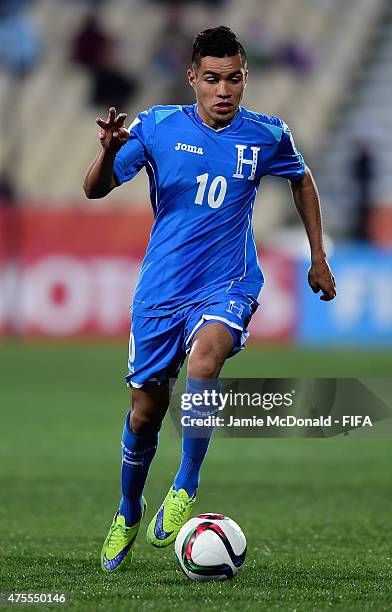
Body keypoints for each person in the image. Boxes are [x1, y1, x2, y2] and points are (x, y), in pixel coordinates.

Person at [83, 25, 336, 572]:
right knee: (145, 412)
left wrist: (318, 255)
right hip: (161, 290)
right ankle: (128, 509)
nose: (224, 90)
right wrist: (107, 153)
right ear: (193, 78)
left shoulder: (267, 135)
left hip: (228, 283)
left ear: (246, 78)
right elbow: (94, 188)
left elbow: (302, 178)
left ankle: (185, 485)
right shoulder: (157, 127)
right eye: (213, 79)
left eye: (235, 79)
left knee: (205, 358)